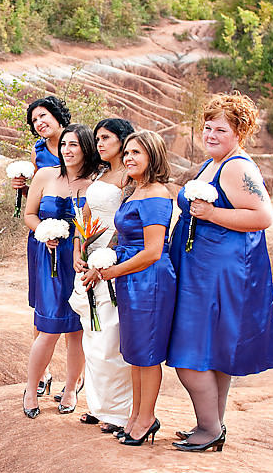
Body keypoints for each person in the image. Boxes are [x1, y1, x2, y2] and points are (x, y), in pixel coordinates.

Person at [168, 91, 273, 452]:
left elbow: (263, 217)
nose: (211, 135)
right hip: (204, 266)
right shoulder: (213, 163)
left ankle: (209, 427)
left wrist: (212, 214)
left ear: (239, 132)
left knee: (189, 351)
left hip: (218, 271)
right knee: (214, 349)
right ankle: (212, 425)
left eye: (220, 129)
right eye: (207, 127)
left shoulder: (237, 167)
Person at [91, 130, 175, 447]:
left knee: (147, 352)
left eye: (136, 153)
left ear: (152, 156)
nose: (128, 158)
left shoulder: (155, 193)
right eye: (126, 152)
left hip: (150, 279)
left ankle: (146, 417)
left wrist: (112, 271)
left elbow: (153, 250)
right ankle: (136, 414)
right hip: (131, 277)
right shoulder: (135, 192)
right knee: (135, 351)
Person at [21, 124, 97, 418]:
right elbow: (29, 214)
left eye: (74, 145)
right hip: (49, 257)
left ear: (86, 149)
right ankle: (31, 388)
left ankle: (70, 388)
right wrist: (43, 230)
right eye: (64, 144)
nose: (66, 149)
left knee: (76, 330)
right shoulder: (44, 175)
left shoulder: (94, 184)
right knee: (48, 328)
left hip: (78, 259)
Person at [68, 118, 135, 434]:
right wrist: (78, 248)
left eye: (106, 138)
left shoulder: (129, 176)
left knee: (110, 333)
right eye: (97, 139)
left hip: (112, 258)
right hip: (91, 253)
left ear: (123, 140)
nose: (99, 144)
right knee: (91, 335)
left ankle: (119, 413)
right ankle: (97, 405)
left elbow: (125, 224)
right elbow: (88, 214)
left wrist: (103, 259)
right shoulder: (102, 174)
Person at [9, 96, 71, 397]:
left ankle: (75, 379)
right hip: (42, 234)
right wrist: (22, 187)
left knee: (72, 309)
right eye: (34, 121)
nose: (39, 123)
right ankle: (43, 372)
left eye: (43, 116)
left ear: (58, 116)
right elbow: (37, 194)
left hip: (74, 232)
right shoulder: (38, 152)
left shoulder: (77, 143)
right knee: (41, 302)